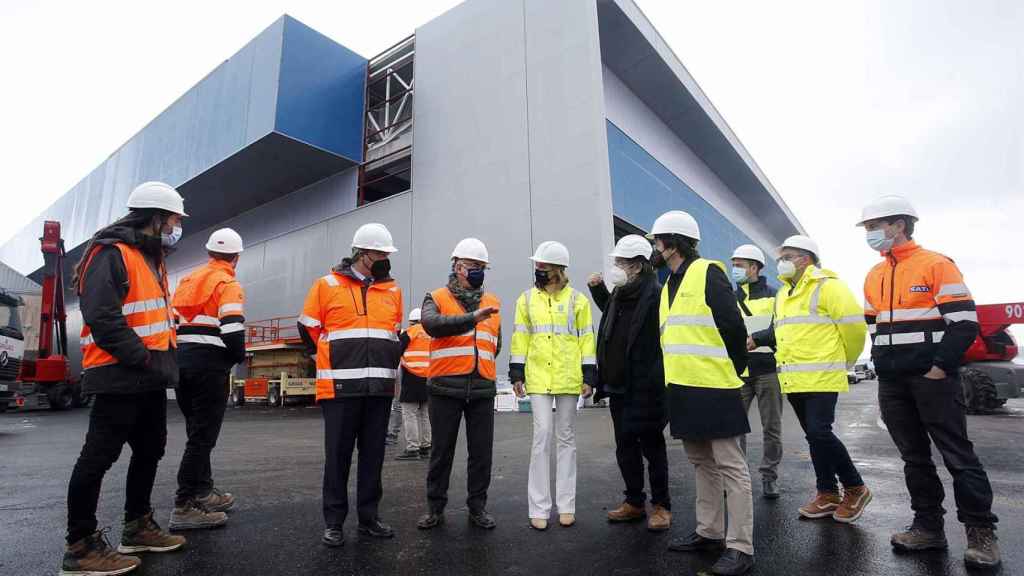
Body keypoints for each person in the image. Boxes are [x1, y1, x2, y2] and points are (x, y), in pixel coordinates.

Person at [859, 195, 1000, 568]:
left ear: (898, 225)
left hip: (932, 379)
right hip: (892, 382)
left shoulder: (936, 265)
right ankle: (928, 528)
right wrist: (881, 365)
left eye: (874, 226)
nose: (870, 234)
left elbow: (965, 324)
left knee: (958, 455)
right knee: (914, 458)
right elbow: (874, 327)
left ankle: (981, 532)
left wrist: (939, 367)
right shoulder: (874, 274)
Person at [62, 182, 188, 576]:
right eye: (173, 221)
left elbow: (144, 314)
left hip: (148, 375)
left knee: (151, 450)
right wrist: (143, 358)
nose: (176, 228)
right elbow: (102, 318)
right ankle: (80, 547)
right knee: (98, 457)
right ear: (154, 218)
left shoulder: (150, 258)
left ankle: (138, 526)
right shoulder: (110, 254)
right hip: (119, 373)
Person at [651, 211, 754, 576]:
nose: (654, 246)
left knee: (730, 465)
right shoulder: (668, 285)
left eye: (657, 240)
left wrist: (735, 370)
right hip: (682, 388)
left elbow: (732, 326)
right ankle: (709, 532)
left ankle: (740, 546)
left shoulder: (707, 272)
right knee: (701, 462)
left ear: (672, 242)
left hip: (715, 386)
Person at [751, 235, 870, 525]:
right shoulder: (784, 294)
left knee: (820, 433)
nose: (781, 263)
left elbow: (854, 330)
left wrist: (846, 362)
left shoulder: (829, 287)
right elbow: (782, 331)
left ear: (806, 259)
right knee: (814, 437)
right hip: (794, 378)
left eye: (787, 257)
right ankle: (827, 493)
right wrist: (756, 338)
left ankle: (856, 487)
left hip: (823, 376)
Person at [298, 223, 403, 548]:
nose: (385, 258)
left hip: (379, 389)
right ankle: (334, 522)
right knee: (338, 457)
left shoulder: (392, 290)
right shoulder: (326, 285)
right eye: (380, 253)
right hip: (340, 390)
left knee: (373, 457)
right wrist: (328, 356)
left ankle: (369, 518)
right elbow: (308, 327)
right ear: (362, 253)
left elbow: (393, 333)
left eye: (387, 253)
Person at [587, 235, 671, 532]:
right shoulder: (619, 295)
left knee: (652, 447)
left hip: (646, 388)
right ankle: (634, 502)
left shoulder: (656, 295)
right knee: (625, 447)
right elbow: (611, 326)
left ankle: (661, 505)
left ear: (637, 266)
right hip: (618, 387)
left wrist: (656, 380)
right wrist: (598, 289)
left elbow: (663, 341)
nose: (615, 267)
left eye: (620, 262)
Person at [510, 241, 596, 531]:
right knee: (542, 435)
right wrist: (516, 373)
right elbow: (520, 337)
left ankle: (566, 506)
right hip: (537, 376)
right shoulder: (526, 299)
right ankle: (539, 507)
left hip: (569, 376)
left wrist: (589, 375)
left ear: (557, 269)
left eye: (543, 267)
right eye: (537, 266)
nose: (538, 270)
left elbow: (587, 338)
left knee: (566, 438)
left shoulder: (578, 300)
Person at [417, 238, 501, 531]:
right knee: (442, 452)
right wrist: (471, 319)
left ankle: (477, 508)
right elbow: (431, 325)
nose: (477, 271)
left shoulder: (492, 301)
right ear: (456, 266)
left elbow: (495, 343)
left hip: (481, 387)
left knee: (482, 454)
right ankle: (435, 508)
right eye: (471, 266)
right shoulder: (436, 297)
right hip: (445, 387)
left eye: (481, 267)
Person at [168, 228, 246, 531]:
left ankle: (203, 491)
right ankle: (184, 505)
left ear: (209, 252)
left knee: (195, 432)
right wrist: (235, 358)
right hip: (209, 367)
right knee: (203, 437)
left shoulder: (187, 281)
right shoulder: (228, 283)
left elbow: (174, 322)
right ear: (235, 257)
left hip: (182, 363)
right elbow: (231, 330)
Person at [731, 244, 783, 500]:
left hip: (767, 370)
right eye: (734, 264)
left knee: (771, 427)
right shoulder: (729, 297)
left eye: (740, 265)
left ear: (754, 267)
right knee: (733, 427)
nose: (735, 269)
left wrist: (759, 338)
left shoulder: (775, 295)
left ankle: (769, 477)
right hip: (738, 371)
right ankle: (737, 478)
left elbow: (783, 328)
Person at [396, 308, 432, 461]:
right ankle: (426, 446)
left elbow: (396, 351)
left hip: (412, 377)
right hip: (429, 378)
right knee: (425, 414)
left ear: (411, 321)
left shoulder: (409, 332)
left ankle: (412, 448)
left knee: (409, 413)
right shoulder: (431, 334)